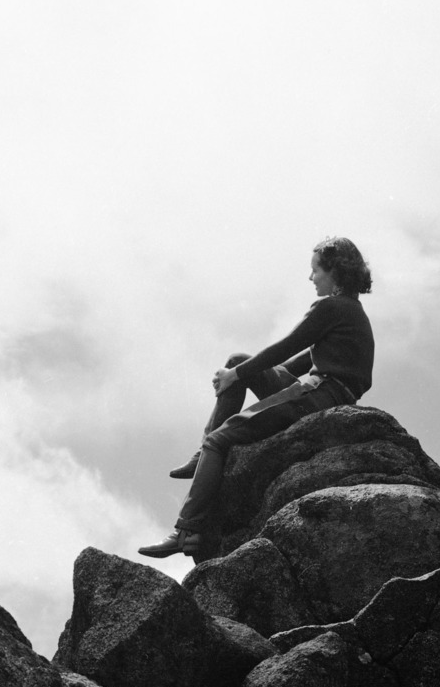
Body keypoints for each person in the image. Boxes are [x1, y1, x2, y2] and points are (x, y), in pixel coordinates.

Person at [139, 236, 374, 561]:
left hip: (319, 395)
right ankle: (202, 455)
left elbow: (287, 345)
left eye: (315, 271)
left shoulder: (330, 307)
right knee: (238, 360)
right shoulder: (351, 311)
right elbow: (302, 357)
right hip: (327, 393)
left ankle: (186, 531)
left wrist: (236, 378)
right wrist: (244, 371)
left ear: (333, 270)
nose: (311, 278)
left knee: (221, 440)